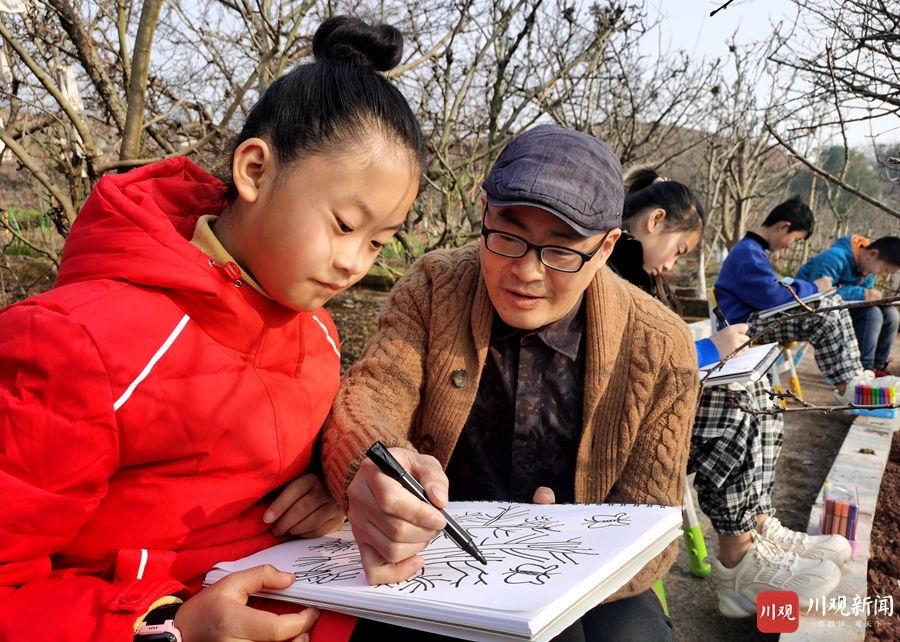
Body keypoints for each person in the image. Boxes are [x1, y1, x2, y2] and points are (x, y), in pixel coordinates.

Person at [0, 16, 424, 642]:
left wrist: (340, 491)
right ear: (254, 170)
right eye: (342, 225)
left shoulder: (319, 336)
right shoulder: (79, 345)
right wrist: (168, 628)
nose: (355, 263)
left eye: (379, 243)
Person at [319, 124, 700, 641]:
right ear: (484, 212)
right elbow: (372, 398)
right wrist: (374, 462)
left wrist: (560, 555)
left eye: (561, 250)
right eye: (507, 235)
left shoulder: (661, 345)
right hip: (435, 555)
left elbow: (651, 526)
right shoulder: (434, 288)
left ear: (608, 246)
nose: (526, 270)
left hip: (591, 575)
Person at [608, 169, 847, 619]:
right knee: (730, 403)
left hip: (647, 401)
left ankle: (756, 524)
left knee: (762, 396)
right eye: (679, 251)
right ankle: (737, 556)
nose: (673, 265)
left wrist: (711, 354)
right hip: (622, 419)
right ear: (655, 220)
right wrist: (706, 349)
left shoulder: (635, 268)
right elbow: (628, 354)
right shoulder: (610, 267)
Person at [714, 197, 866, 400]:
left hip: (755, 318)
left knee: (836, 304)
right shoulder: (748, 253)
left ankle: (855, 374)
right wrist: (814, 287)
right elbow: (771, 296)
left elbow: (770, 292)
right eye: (795, 240)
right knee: (823, 317)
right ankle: (844, 387)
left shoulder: (753, 251)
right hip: (744, 325)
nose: (791, 246)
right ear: (783, 227)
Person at [797, 235, 900, 376]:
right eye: (884, 270)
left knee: (891, 314)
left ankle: (878, 366)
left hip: (843, 309)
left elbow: (865, 295)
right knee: (872, 315)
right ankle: (863, 370)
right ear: (872, 254)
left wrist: (873, 298)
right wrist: (863, 293)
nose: (882, 274)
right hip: (811, 309)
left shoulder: (867, 267)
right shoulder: (834, 257)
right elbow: (819, 289)